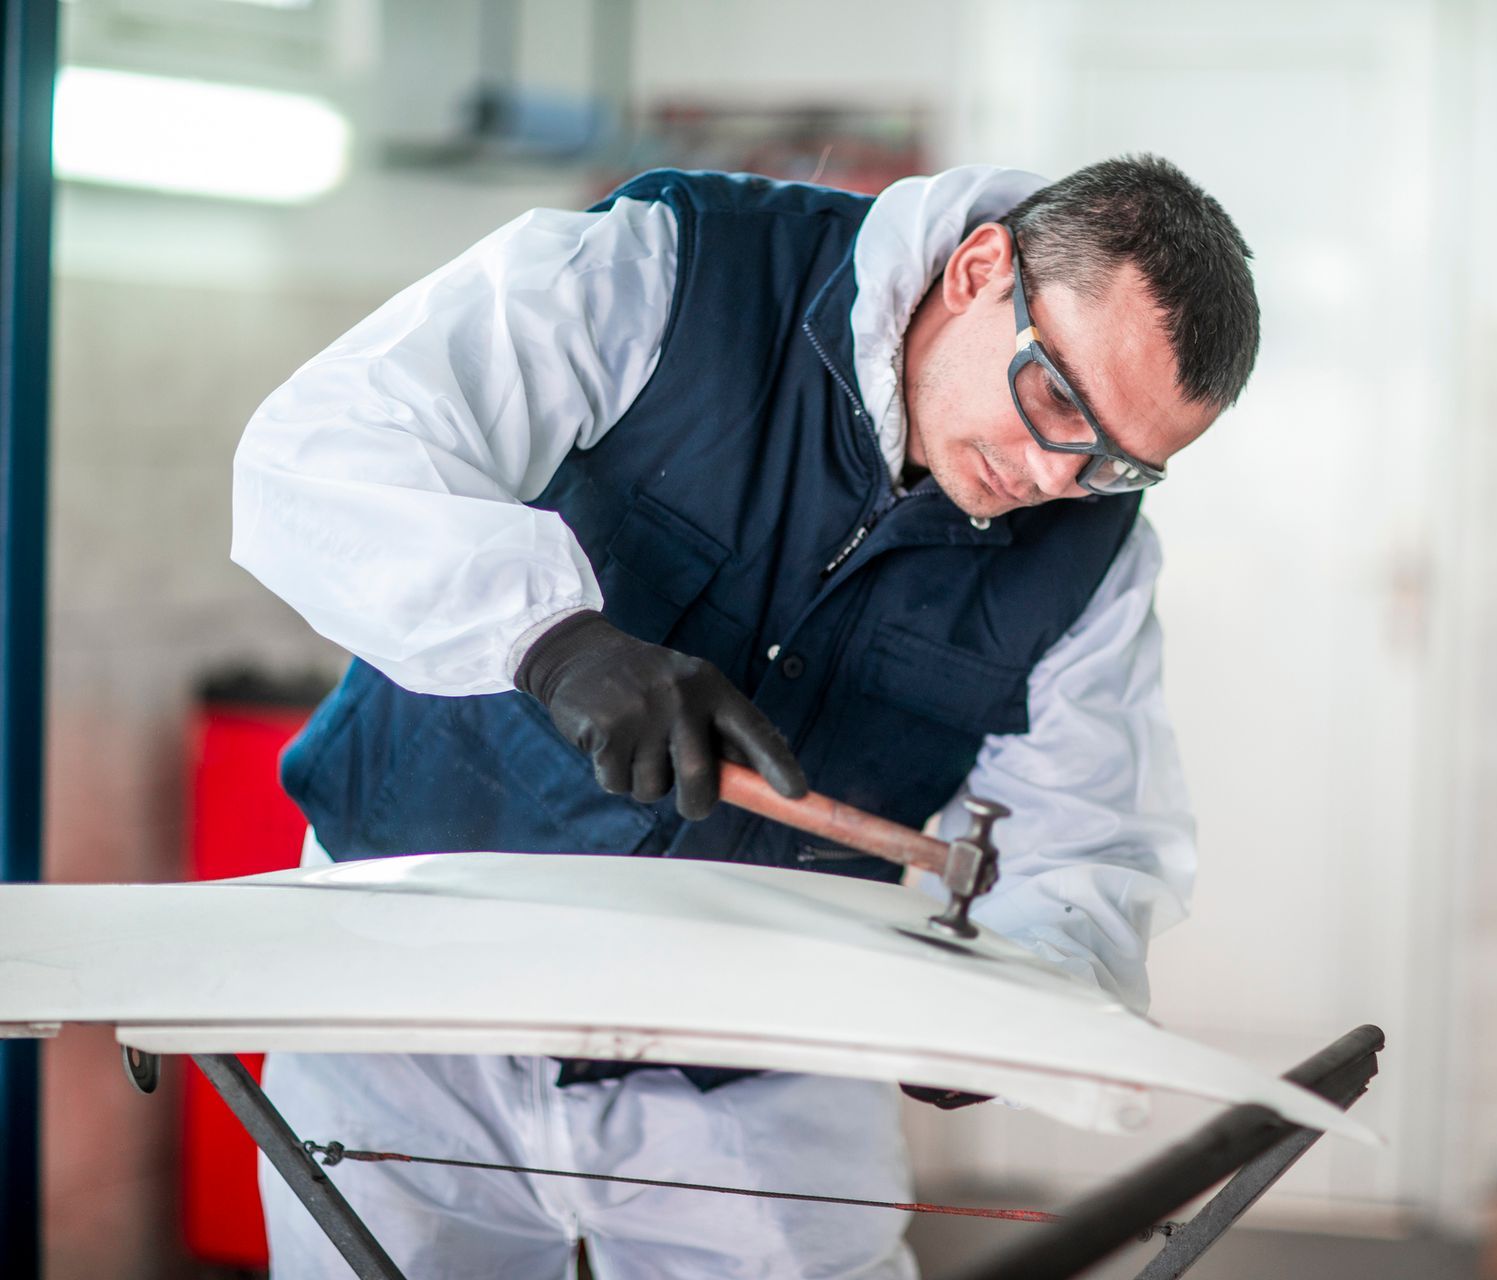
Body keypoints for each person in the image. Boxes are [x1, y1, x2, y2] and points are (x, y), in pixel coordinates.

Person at [231, 154, 1260, 1279]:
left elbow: (1091, 842)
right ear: (977, 270)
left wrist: (1020, 1002)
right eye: (1057, 400)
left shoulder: (1092, 562)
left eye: (1118, 462)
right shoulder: (676, 268)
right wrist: (553, 642)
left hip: (753, 1062)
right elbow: (327, 446)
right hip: (410, 993)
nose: (1059, 475)